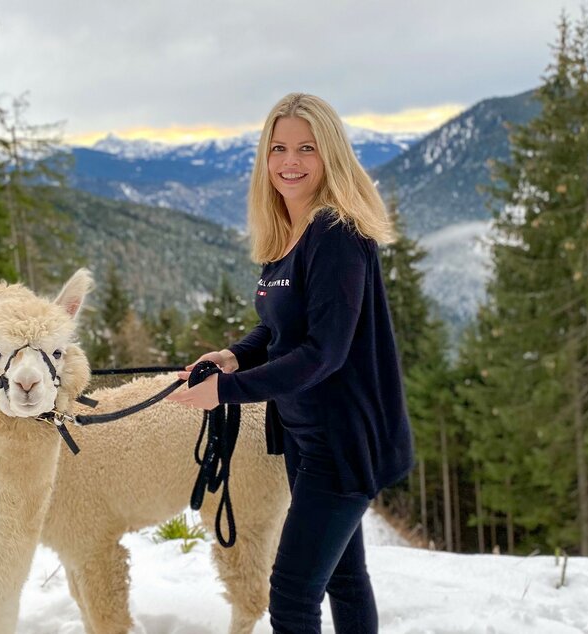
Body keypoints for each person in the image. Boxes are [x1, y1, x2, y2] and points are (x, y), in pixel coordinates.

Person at [166, 92, 414, 634]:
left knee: (292, 596)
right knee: (344, 579)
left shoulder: (337, 234)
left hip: (344, 441)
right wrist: (234, 355)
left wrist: (226, 393)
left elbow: (324, 352)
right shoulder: (289, 235)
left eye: (306, 148)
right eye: (278, 148)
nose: (290, 162)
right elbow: (282, 330)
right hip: (305, 437)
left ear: (331, 156)